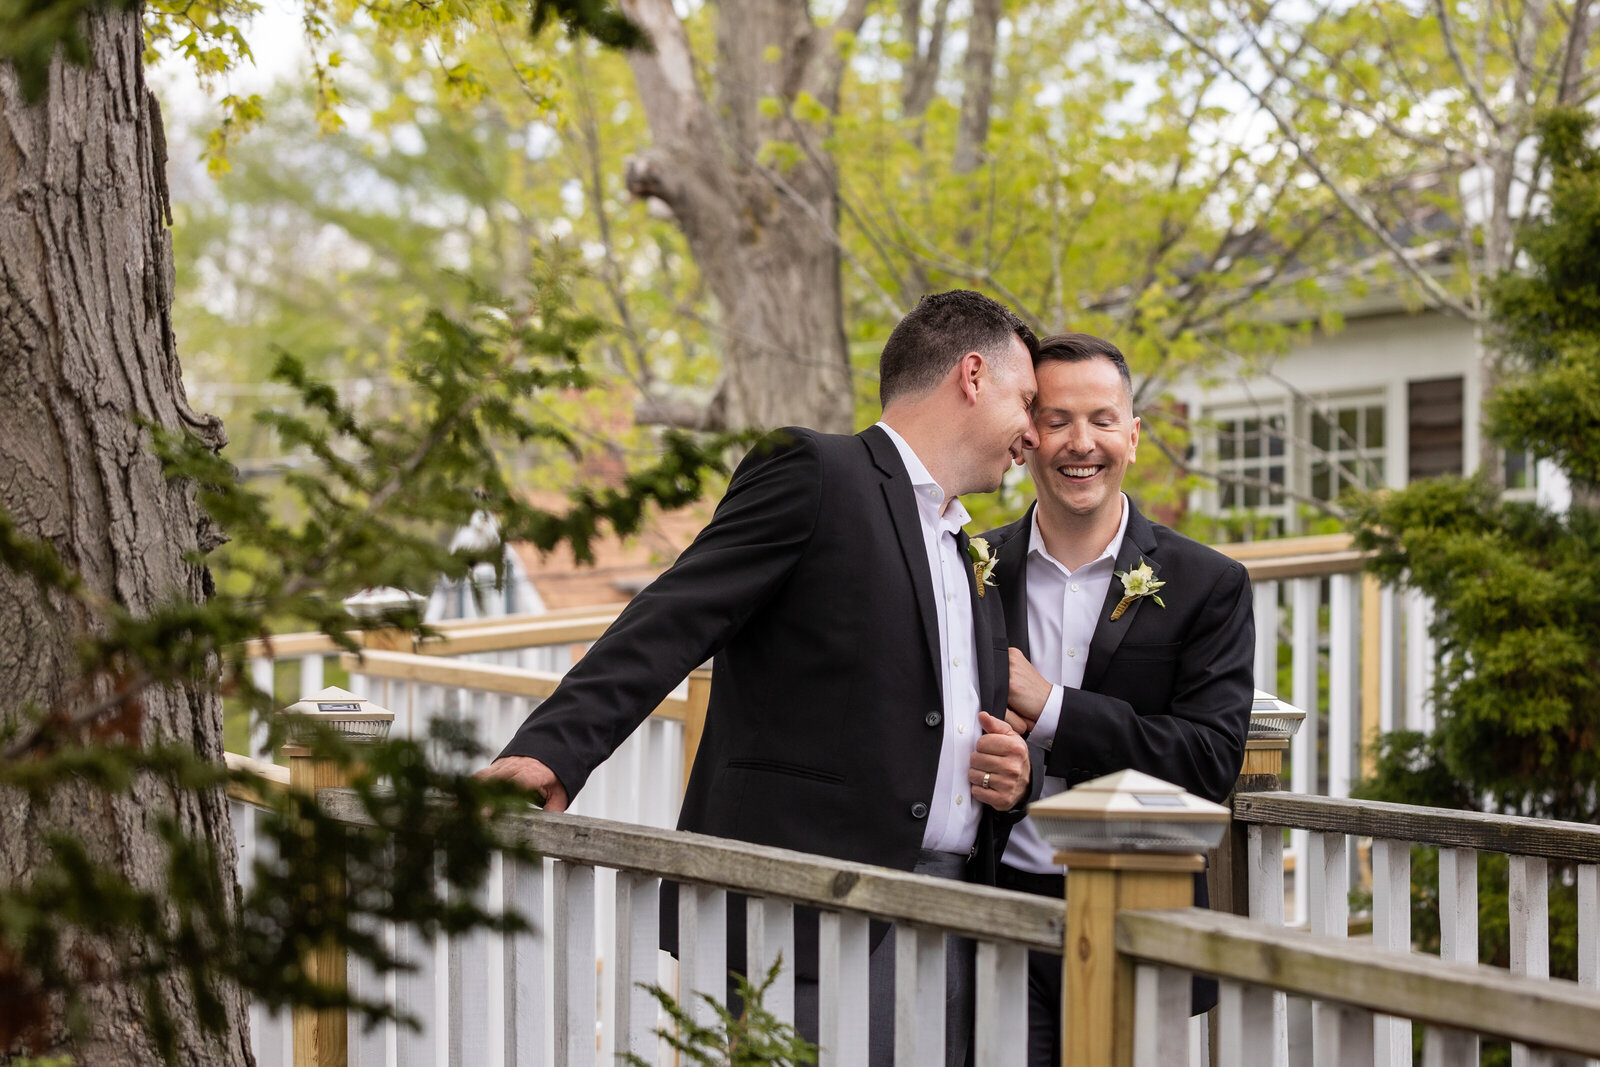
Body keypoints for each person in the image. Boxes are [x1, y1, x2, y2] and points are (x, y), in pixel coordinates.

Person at [478, 290, 1040, 1064]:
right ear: (973, 376)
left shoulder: (969, 547)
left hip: (952, 915)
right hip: (807, 909)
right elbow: (676, 613)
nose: (1034, 433)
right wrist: (554, 749)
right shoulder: (816, 472)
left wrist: (1019, 771)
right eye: (1028, 399)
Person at [980, 333, 1254, 1067]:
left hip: (1140, 910)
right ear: (1027, 436)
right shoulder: (969, 568)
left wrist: (1053, 708)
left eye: (1102, 419)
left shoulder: (1208, 584)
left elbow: (1209, 761)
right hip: (995, 908)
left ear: (1132, 435)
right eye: (1059, 419)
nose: (1081, 442)